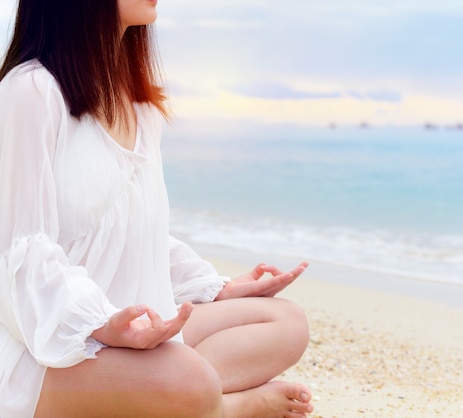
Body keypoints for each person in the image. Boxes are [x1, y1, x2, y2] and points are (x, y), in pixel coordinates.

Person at [0, 0, 314, 417]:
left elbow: (132, 232)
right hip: (48, 345)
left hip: (138, 330)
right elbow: (18, 253)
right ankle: (228, 408)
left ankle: (182, 403)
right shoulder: (31, 91)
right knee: (190, 378)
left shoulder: (139, 104)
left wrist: (214, 288)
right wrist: (100, 325)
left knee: (286, 323)